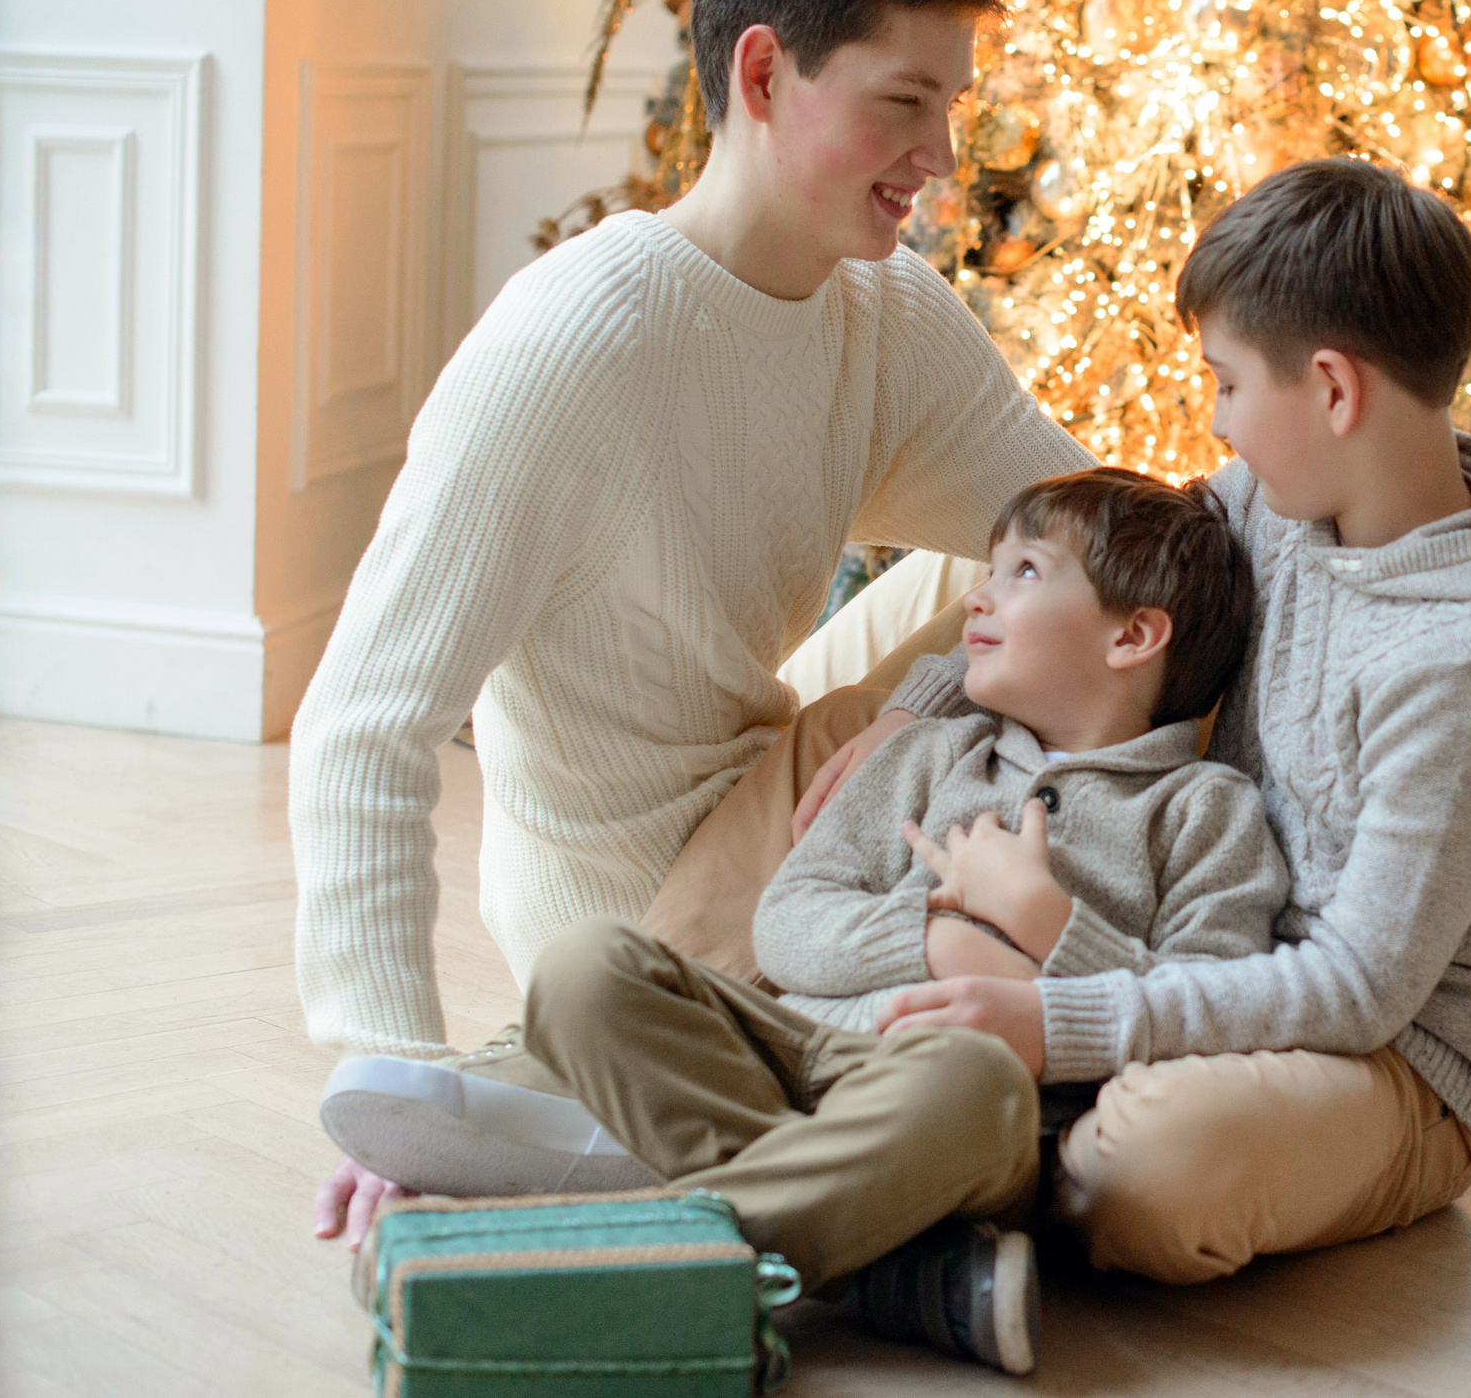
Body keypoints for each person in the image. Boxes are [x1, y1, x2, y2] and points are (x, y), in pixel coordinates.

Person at [849, 157, 1471, 1283]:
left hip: (1385, 1060)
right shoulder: (1275, 507)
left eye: (1228, 383)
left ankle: (921, 1164)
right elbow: (1093, 580)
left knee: (1142, 1168)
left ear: (1332, 389)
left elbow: (1351, 991)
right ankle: (865, 1082)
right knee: (849, 746)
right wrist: (918, 701)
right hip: (1198, 931)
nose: (1216, 418)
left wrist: (1059, 1017)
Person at [286, 0, 1093, 1070]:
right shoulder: (568, 347)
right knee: (997, 1051)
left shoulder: (878, 309)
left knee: (1045, 567)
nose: (940, 154)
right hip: (637, 915)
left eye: (951, 108)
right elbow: (361, 728)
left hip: (778, 795)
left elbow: (1101, 536)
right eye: (903, 102)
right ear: (762, 74)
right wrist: (391, 1078)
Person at [317, 469, 1283, 1374]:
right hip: (790, 1052)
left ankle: (621, 1259)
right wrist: (938, 939)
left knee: (971, 1076)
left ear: (1133, 636)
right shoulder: (926, 756)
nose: (976, 600)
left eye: (1023, 573)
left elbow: (1202, 1010)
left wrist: (1047, 926)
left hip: (952, 1101)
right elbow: (790, 923)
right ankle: (882, 1267)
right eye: (987, 570)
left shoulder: (1206, 812)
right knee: (586, 966)